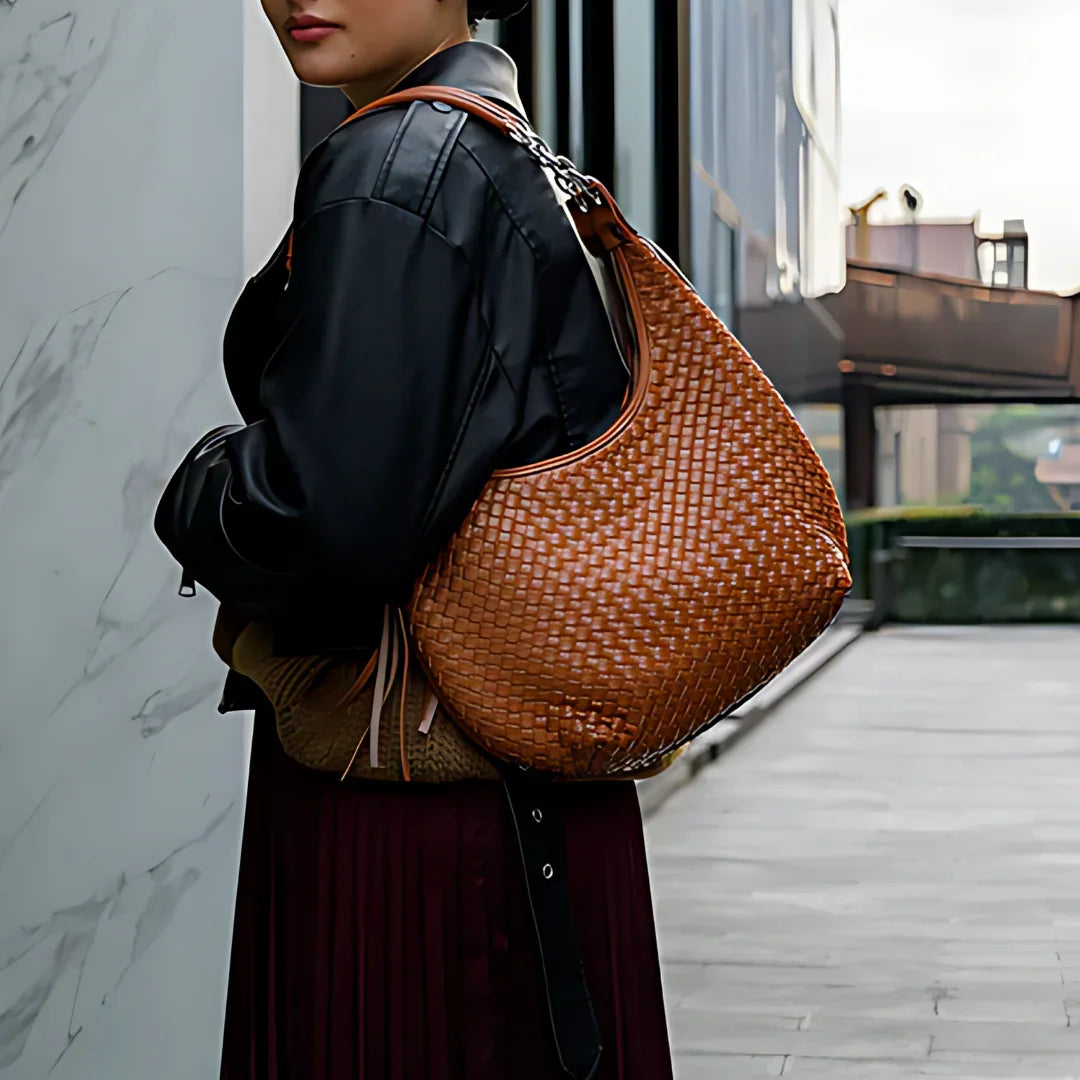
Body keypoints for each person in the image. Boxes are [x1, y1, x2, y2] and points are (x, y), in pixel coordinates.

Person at [155, 1, 674, 1076]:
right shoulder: (502, 145)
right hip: (524, 810)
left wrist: (197, 485)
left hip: (411, 821)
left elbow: (318, 519)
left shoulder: (399, 160)